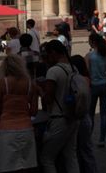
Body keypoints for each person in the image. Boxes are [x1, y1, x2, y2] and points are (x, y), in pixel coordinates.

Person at [40, 40, 80, 172]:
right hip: (73, 116)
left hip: (59, 118)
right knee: (71, 155)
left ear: (53, 53)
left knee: (47, 158)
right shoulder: (74, 68)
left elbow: (48, 99)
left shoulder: (53, 71)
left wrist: (39, 90)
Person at [0, 54, 38, 173]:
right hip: (27, 129)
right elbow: (34, 111)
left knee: (8, 167)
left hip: (6, 130)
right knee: (27, 166)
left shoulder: (4, 83)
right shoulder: (30, 84)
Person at [85, 32, 106, 148]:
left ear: (92, 42)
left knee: (90, 114)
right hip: (105, 85)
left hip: (93, 86)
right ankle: (102, 139)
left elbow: (86, 73)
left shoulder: (89, 56)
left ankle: (88, 138)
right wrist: (104, 72)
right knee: (103, 113)